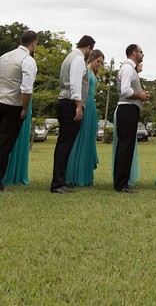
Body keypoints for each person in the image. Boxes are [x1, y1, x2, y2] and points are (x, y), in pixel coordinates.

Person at [0, 29, 38, 191]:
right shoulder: (27, 60)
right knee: (4, 144)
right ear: (33, 43)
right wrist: (25, 108)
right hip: (13, 104)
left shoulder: (4, 57)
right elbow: (26, 89)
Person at [51, 35, 95, 194]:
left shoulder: (70, 56)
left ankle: (60, 181)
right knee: (65, 143)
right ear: (88, 47)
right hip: (70, 102)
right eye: (91, 50)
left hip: (65, 100)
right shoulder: (78, 59)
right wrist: (78, 106)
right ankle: (58, 183)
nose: (91, 53)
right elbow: (75, 84)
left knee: (64, 143)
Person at [113, 44, 150, 192]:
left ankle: (122, 182)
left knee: (126, 146)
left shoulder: (130, 69)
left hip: (129, 109)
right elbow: (125, 90)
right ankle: (121, 184)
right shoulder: (128, 68)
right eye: (141, 52)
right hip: (127, 110)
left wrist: (141, 94)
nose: (143, 54)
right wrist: (140, 95)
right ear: (134, 53)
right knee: (125, 147)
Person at [66, 49, 103, 187]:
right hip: (86, 103)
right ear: (91, 58)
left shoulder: (94, 73)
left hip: (92, 106)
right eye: (98, 61)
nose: (99, 64)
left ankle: (86, 174)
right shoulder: (86, 71)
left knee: (89, 139)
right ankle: (75, 174)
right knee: (80, 137)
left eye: (101, 62)